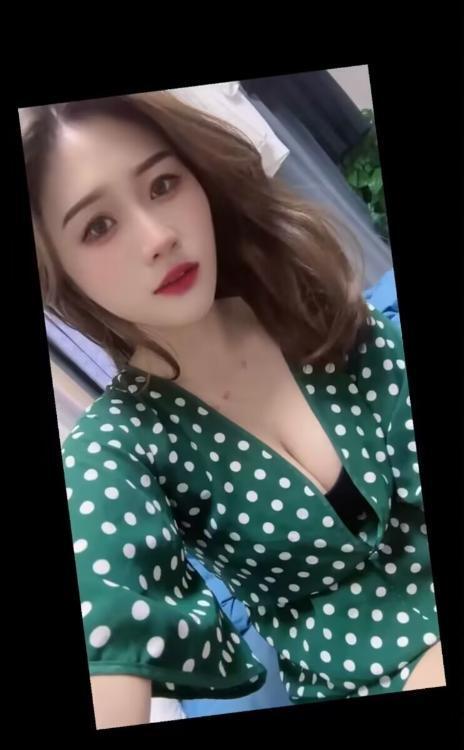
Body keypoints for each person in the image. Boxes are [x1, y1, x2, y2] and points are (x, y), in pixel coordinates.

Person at [20, 91, 445, 729]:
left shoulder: (304, 298)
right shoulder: (117, 448)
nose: (159, 238)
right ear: (60, 273)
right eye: (98, 227)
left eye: (163, 184)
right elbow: (104, 614)